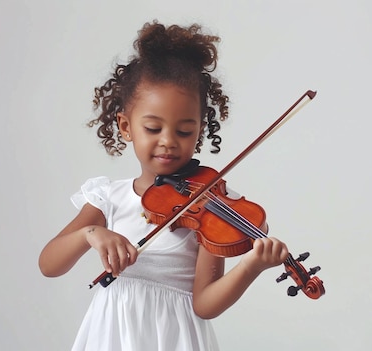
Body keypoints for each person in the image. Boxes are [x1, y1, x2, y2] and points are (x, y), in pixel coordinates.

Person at [38, 20, 290, 351]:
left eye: (184, 131)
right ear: (126, 127)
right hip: (114, 337)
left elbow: (205, 304)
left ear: (200, 130)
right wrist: (91, 234)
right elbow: (49, 264)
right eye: (153, 129)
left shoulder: (213, 204)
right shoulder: (108, 198)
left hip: (175, 339)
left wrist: (251, 266)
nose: (168, 142)